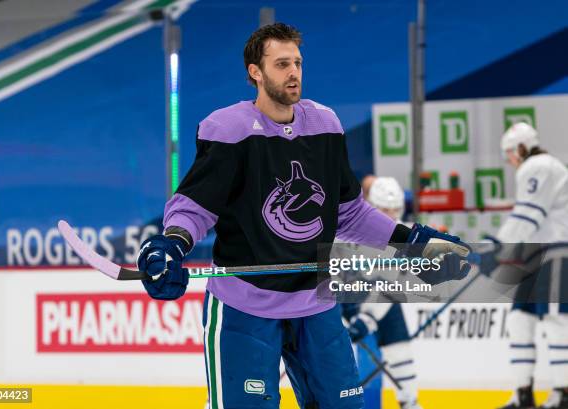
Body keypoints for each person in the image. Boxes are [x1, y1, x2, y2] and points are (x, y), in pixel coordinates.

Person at [136, 23, 470, 409]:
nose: (293, 72)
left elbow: (350, 213)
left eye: (297, 62)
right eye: (281, 64)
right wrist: (173, 242)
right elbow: (195, 205)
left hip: (316, 302)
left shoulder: (325, 125)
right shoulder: (228, 129)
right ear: (255, 72)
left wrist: (412, 243)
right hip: (246, 305)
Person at [491, 122, 568, 409]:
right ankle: (523, 394)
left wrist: (497, 246)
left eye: (510, 153)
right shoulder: (539, 167)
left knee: (556, 321)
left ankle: (563, 393)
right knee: (519, 320)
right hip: (534, 256)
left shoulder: (538, 167)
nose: (510, 160)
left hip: (554, 253)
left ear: (521, 149)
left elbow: (528, 216)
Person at [341, 177, 424, 409]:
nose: (392, 216)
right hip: (346, 296)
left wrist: (367, 318)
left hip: (380, 300)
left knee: (399, 349)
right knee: (332, 351)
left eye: (396, 210)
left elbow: (392, 285)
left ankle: (410, 401)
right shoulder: (349, 228)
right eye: (385, 210)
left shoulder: (405, 237)